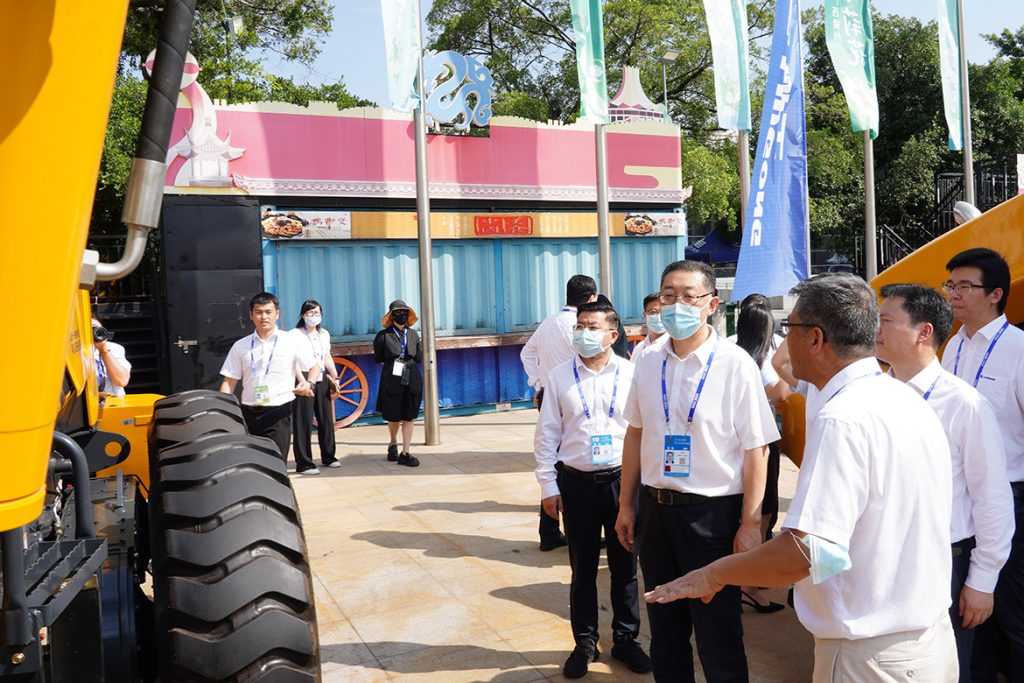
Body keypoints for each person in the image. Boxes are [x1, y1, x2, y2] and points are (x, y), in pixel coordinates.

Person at [644, 273, 957, 683]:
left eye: (789, 327)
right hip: (925, 643)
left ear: (815, 339)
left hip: (869, 656)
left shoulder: (843, 418)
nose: (784, 340)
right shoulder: (905, 399)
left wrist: (713, 574)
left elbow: (806, 552)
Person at [615, 259, 778, 682]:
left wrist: (751, 524)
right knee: (665, 629)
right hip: (655, 510)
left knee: (717, 632)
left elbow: (757, 448)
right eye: (668, 296)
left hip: (712, 516)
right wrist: (626, 505)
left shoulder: (734, 363)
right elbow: (635, 434)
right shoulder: (648, 359)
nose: (677, 305)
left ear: (712, 304)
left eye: (689, 296)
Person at [877, 283, 1014, 682]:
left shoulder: (963, 405)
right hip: (882, 556)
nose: (875, 330)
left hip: (943, 562)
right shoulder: (872, 395)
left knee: (945, 669)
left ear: (923, 332)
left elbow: (992, 498)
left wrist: (982, 581)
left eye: (886, 321)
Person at [533, 300, 651, 678]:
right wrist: (548, 484)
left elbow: (645, 430)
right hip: (577, 484)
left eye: (592, 327)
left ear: (612, 335)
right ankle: (585, 641)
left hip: (623, 483)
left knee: (625, 567)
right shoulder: (559, 377)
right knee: (582, 568)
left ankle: (626, 638)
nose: (583, 333)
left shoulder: (633, 374)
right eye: (580, 326)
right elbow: (547, 434)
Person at [939, 247, 1024, 681]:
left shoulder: (1018, 349)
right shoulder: (952, 345)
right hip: (958, 497)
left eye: (964, 286)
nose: (953, 294)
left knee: (1013, 612)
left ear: (995, 294)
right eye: (950, 285)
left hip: (1009, 497)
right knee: (970, 611)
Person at [521, 274, 598, 550]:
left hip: (549, 397)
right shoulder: (580, 327)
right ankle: (574, 531)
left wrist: (538, 383)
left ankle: (550, 531)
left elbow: (526, 353)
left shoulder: (549, 321)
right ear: (591, 298)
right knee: (573, 465)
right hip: (574, 400)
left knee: (554, 462)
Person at [732, 294, 789, 614]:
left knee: (738, 513)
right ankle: (749, 586)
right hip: (762, 444)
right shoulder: (764, 357)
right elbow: (781, 393)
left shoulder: (729, 347)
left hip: (732, 444)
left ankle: (739, 579)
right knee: (761, 512)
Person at [219, 292, 314, 463]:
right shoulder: (241, 346)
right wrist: (223, 412)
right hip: (248, 412)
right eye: (259, 312)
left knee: (276, 462)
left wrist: (309, 383)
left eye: (268, 312)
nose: (264, 317)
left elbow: (314, 366)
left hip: (278, 411)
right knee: (252, 463)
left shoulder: (291, 341)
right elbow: (229, 381)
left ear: (277, 314)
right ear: (251, 315)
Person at [290, 300, 341, 475]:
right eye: (310, 313)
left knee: (326, 419)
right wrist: (302, 382)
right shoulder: (294, 334)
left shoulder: (324, 334)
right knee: (303, 421)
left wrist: (335, 377)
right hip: (303, 377)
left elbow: (327, 356)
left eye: (316, 313)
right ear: (303, 315)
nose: (313, 316)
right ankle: (304, 463)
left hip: (322, 379)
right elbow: (293, 361)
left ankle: (329, 456)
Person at [373, 299, 423, 468]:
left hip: (411, 375)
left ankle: (405, 452)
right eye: (398, 313)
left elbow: (418, 357)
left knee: (409, 416)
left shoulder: (414, 334)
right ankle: (393, 442)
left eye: (404, 312)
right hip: (392, 377)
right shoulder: (383, 336)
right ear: (391, 316)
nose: (402, 315)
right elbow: (379, 358)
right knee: (393, 415)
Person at [92, 317, 131, 399]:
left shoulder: (114, 348)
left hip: (114, 402)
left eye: (97, 329)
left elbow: (122, 380)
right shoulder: (76, 352)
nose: (94, 333)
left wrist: (103, 350)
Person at [630, 292, 664, 362]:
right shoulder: (639, 348)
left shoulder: (675, 347)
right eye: (653, 312)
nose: (658, 316)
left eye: (662, 312)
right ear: (645, 315)